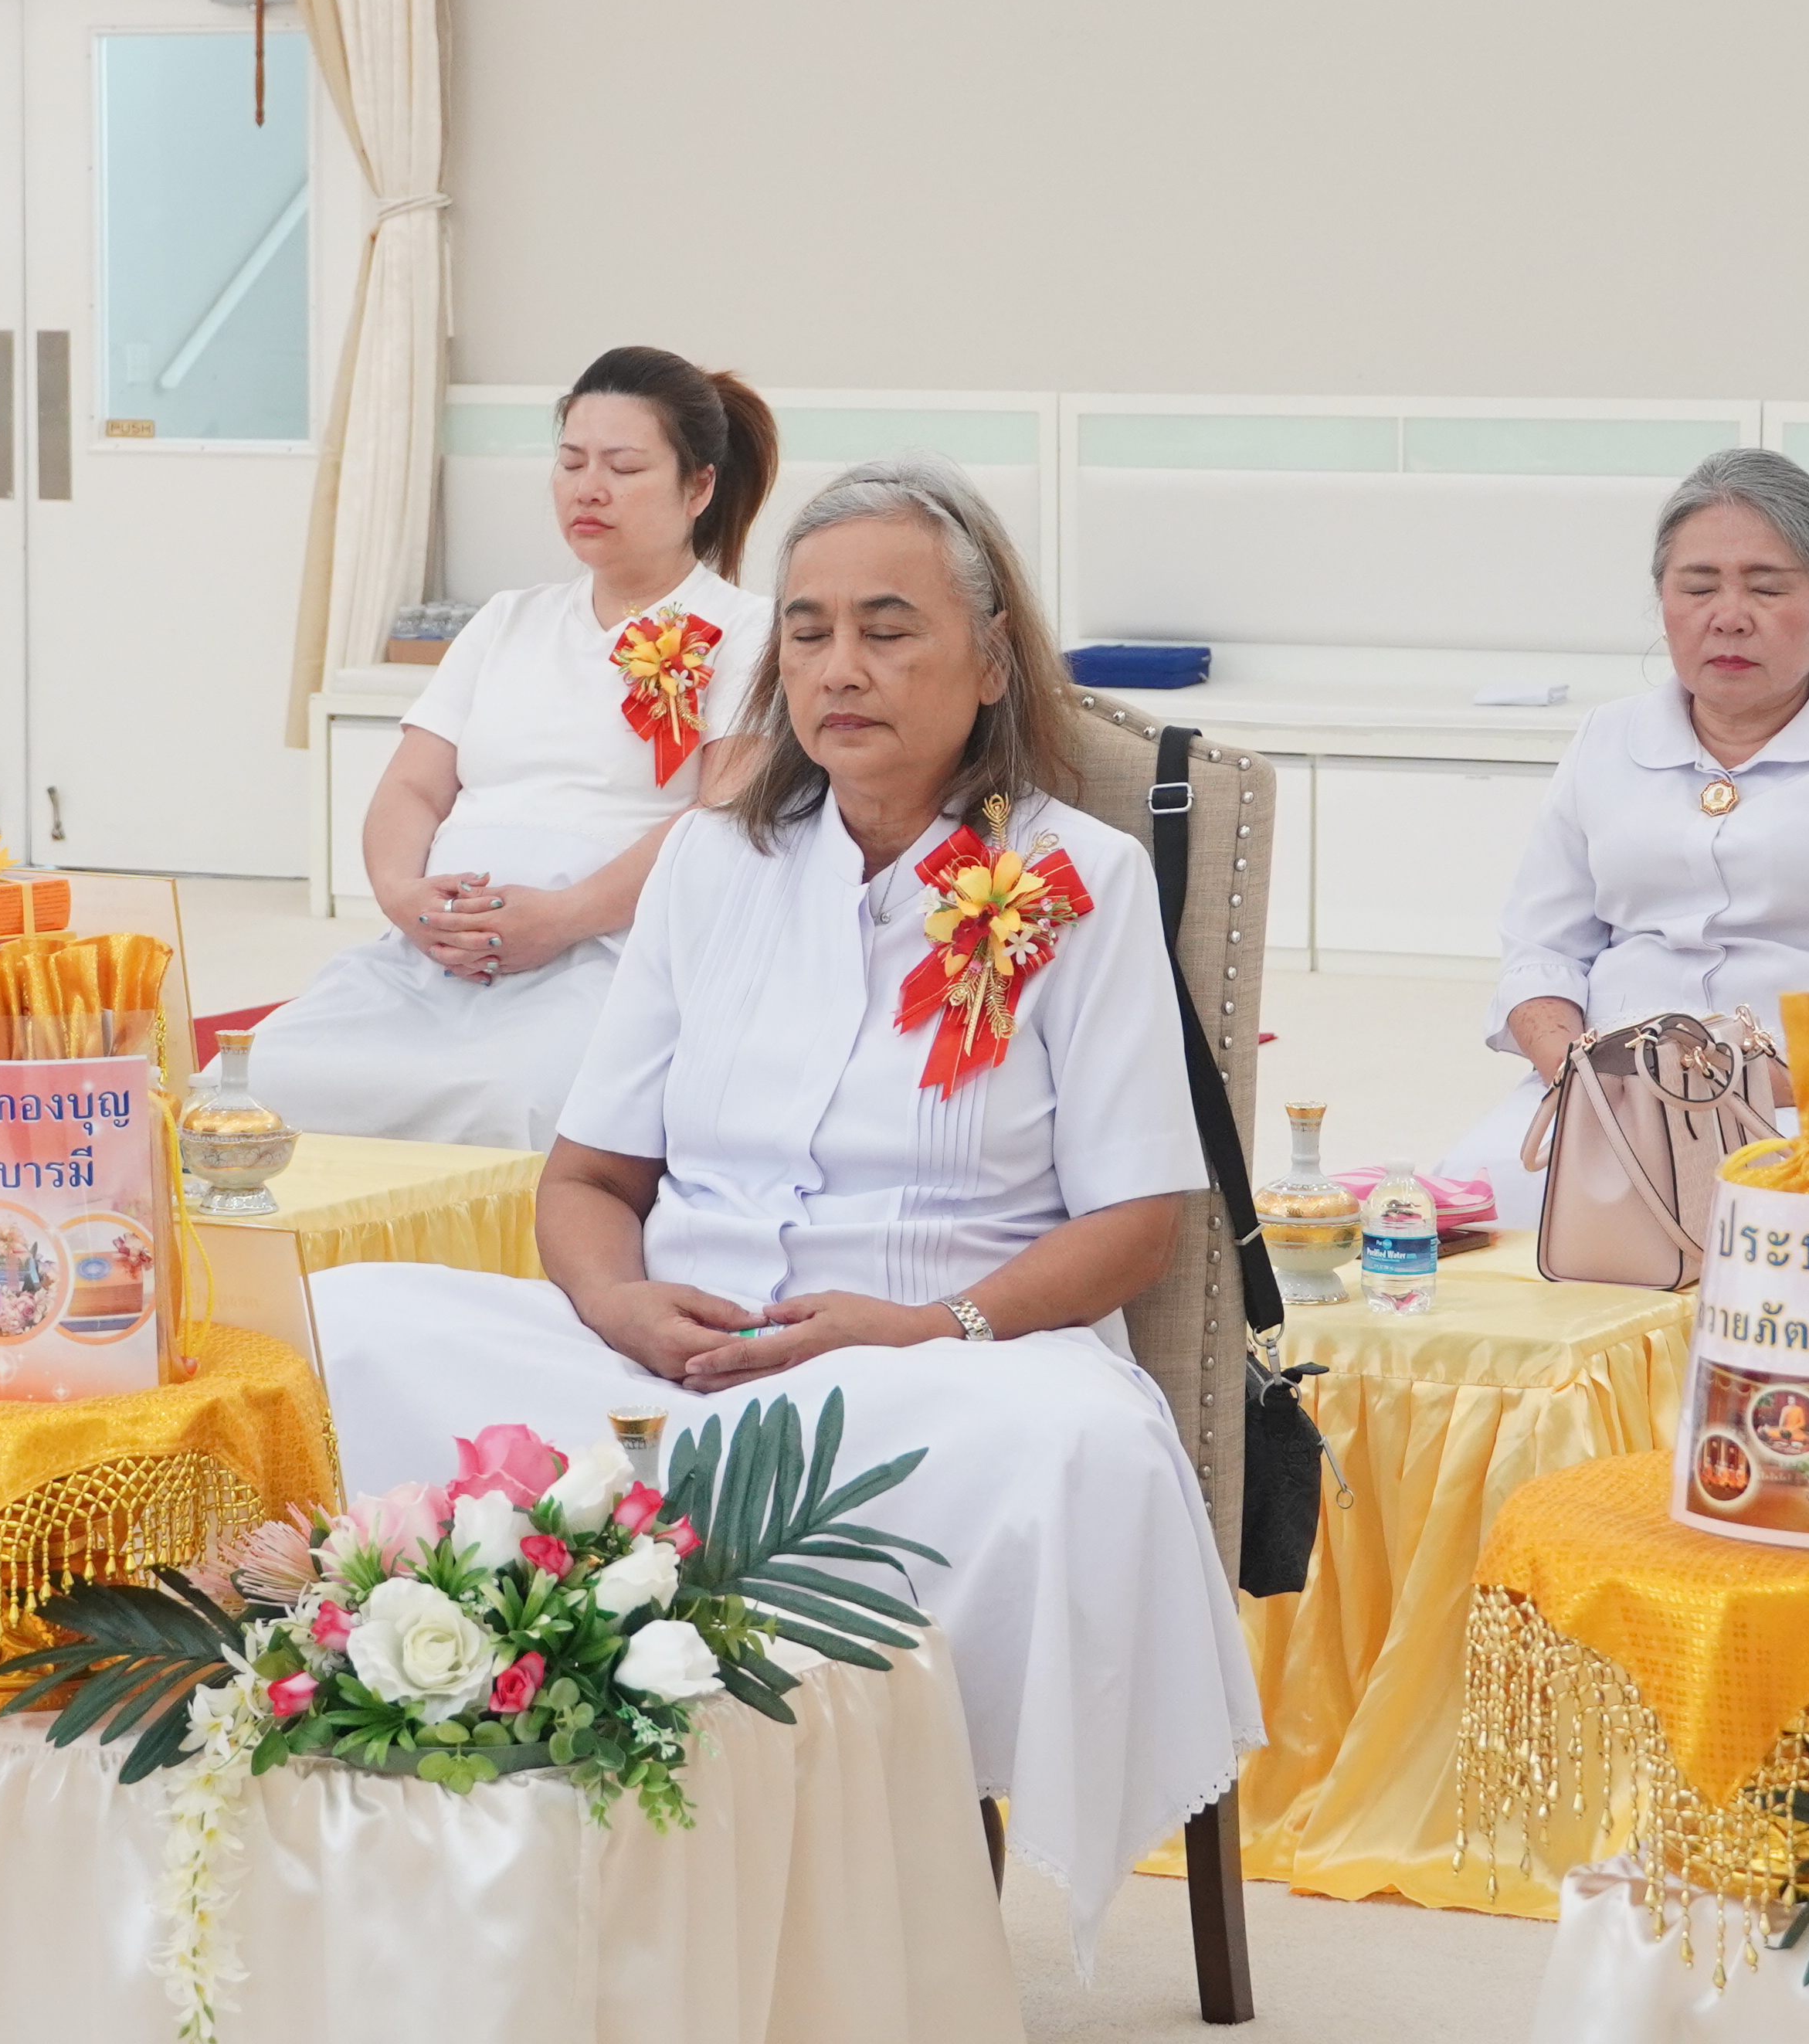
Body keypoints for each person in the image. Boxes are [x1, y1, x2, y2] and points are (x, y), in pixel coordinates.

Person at [313, 455, 1257, 1954]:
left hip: (943, 1369)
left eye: (889, 627)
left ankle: (904, 1879)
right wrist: (620, 1303)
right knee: (336, 1329)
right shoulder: (709, 864)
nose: (840, 667)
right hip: (662, 1361)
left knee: (1077, 1443)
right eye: (807, 630)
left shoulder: (1076, 878)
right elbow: (589, 1183)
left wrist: (924, 1320)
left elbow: (1139, 1220)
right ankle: (430, 1826)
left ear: (994, 653)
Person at [1434, 448, 1809, 1227]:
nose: (1728, 615)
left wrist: (1741, 1087)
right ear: (1663, 602)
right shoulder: (1607, 740)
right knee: (1469, 1205)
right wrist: (1580, 1074)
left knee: (1760, 1218)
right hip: (1607, 1103)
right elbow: (1541, 952)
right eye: (1698, 587)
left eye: (1767, 587)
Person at [248, 348, 780, 1151]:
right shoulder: (506, 619)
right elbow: (412, 791)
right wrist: (404, 898)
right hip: (436, 958)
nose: (587, 488)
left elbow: (722, 814)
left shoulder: (745, 629)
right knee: (267, 1077)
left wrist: (563, 916)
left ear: (698, 486)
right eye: (571, 462)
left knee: (521, 1098)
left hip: (609, 954)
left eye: (624, 466)